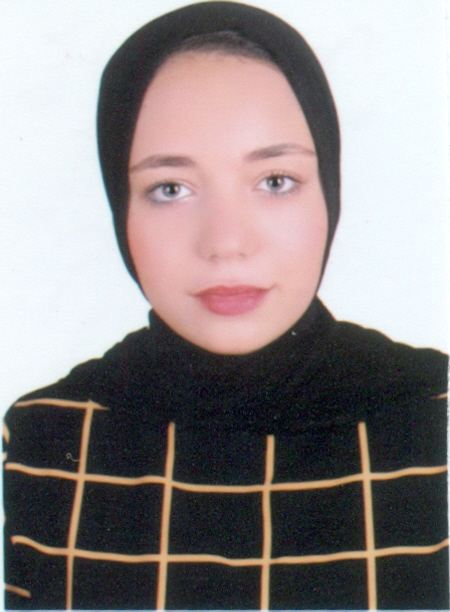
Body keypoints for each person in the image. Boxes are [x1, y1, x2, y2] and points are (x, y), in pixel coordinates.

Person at [3, 1, 448, 609]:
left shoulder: (437, 418)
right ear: (120, 205)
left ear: (328, 190)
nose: (226, 243)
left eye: (275, 181)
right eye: (170, 189)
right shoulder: (43, 443)